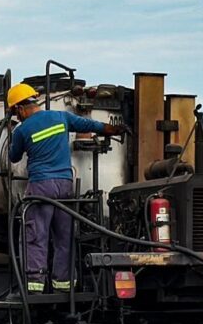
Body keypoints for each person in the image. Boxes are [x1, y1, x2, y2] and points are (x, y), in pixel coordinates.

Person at [7, 82, 124, 293]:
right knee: (64, 236)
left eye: (15, 113)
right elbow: (90, 126)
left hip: (41, 187)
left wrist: (13, 132)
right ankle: (63, 285)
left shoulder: (22, 130)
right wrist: (112, 129)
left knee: (36, 234)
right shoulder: (61, 117)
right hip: (65, 185)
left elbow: (14, 156)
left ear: (19, 108)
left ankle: (34, 286)